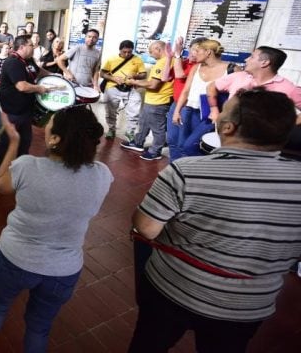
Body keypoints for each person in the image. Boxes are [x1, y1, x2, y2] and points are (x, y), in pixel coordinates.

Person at [128, 89, 301, 352]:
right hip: (249, 306)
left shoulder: (188, 170)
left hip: (174, 290)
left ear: (228, 127)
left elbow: (146, 229)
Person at [0, 107, 112, 353]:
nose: (46, 125)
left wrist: (13, 142)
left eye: (51, 123)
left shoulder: (27, 166)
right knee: (39, 326)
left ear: (55, 139)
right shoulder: (103, 175)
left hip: (16, 258)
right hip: (64, 269)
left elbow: (1, 184)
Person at [0, 35, 50, 173]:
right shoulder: (13, 62)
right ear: (22, 47)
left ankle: (19, 166)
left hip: (25, 110)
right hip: (12, 111)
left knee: (25, 140)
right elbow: (22, 86)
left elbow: (39, 71)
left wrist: (56, 77)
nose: (34, 47)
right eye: (31, 45)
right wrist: (40, 89)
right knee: (7, 141)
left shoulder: (28, 60)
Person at [169, 39, 231, 160]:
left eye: (197, 51)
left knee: (192, 146)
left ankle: (196, 171)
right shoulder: (196, 68)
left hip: (210, 115)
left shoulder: (231, 69)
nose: (193, 54)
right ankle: (182, 173)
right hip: (189, 111)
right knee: (182, 145)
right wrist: (177, 111)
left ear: (208, 52)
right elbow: (185, 91)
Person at [206, 45, 301, 124]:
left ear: (264, 63)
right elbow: (211, 87)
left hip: (259, 142)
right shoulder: (238, 76)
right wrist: (214, 110)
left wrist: (288, 127)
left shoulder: (288, 88)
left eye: (252, 57)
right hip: (230, 132)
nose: (246, 59)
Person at [120, 40, 173, 161]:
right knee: (144, 122)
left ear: (158, 49)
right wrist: (140, 83)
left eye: (151, 51)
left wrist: (134, 82)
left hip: (159, 101)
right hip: (152, 99)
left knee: (157, 128)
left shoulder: (163, 63)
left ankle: (155, 151)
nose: (150, 54)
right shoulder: (168, 61)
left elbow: (154, 85)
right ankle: (138, 143)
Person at [100, 40, 146, 140]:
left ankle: (130, 132)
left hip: (130, 88)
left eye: (129, 52)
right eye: (124, 52)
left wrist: (135, 75)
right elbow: (102, 73)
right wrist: (114, 78)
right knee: (110, 111)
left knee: (134, 112)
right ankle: (111, 129)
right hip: (112, 87)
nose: (127, 54)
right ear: (120, 50)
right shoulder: (111, 59)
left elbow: (144, 74)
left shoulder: (137, 59)